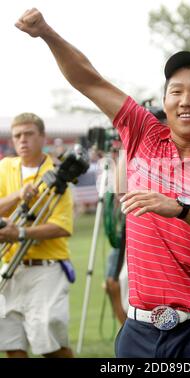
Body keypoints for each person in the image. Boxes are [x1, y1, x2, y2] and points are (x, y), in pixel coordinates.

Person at [15, 9, 190, 358]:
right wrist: (47, 33)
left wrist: (180, 209)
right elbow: (89, 81)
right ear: (165, 101)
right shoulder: (143, 132)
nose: (185, 100)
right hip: (138, 331)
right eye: (176, 91)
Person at [0, 112, 74, 358]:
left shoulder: (58, 173)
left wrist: (19, 232)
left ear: (42, 137)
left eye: (29, 134)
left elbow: (62, 226)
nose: (23, 140)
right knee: (11, 343)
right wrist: (18, 195)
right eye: (17, 135)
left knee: (49, 343)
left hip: (47, 268)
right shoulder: (5, 167)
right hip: (11, 266)